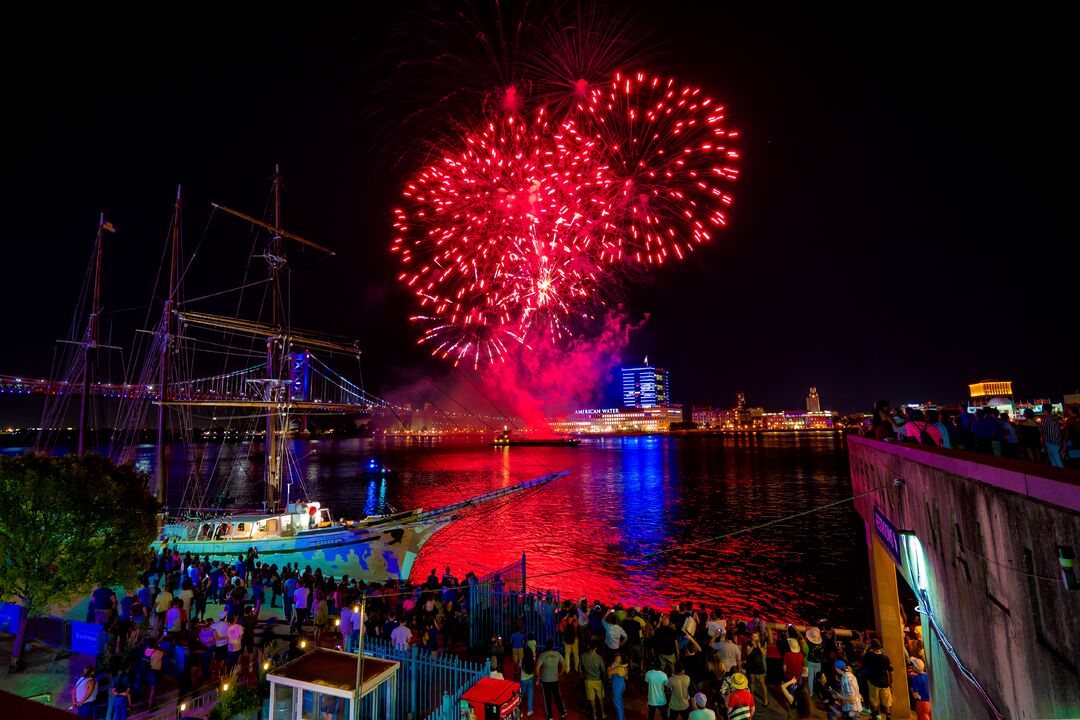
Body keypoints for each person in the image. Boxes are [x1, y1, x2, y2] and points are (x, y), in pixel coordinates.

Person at [863, 638, 894, 720]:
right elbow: (891, 671)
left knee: (875, 701)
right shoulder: (885, 657)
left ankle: (876, 717)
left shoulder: (869, 656)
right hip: (885, 683)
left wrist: (866, 648)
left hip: (873, 682)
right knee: (887, 702)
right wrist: (891, 682)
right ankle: (888, 717)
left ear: (872, 646)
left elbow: (863, 659)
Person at [536, 641, 567, 720]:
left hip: (545, 680)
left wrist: (538, 677)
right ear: (552, 646)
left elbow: (537, 668)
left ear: (545, 646)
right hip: (555, 679)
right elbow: (564, 664)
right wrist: (560, 673)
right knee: (557, 696)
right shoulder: (557, 654)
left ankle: (549, 716)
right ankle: (563, 712)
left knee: (547, 698)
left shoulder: (542, 655)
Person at [581, 641, 607, 720]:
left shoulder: (583, 656)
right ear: (596, 648)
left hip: (588, 680)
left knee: (591, 699)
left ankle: (594, 715)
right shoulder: (599, 658)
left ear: (589, 646)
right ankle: (603, 714)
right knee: (600, 698)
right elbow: (603, 670)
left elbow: (580, 670)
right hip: (598, 680)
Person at [745, 629, 769, 706]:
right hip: (751, 666)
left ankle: (766, 700)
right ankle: (751, 698)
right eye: (753, 636)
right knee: (752, 682)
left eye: (756, 636)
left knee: (762, 683)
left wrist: (759, 646)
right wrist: (753, 646)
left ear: (758, 637)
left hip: (759, 666)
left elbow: (764, 653)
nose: (755, 638)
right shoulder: (748, 643)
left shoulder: (762, 643)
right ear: (751, 637)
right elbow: (748, 653)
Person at [608, 651, 628, 720]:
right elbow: (626, 677)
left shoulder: (616, 667)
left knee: (617, 703)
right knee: (620, 701)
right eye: (618, 658)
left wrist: (611, 670)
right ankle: (622, 717)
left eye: (620, 658)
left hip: (617, 686)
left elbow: (609, 676)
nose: (620, 659)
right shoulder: (623, 666)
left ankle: (620, 718)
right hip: (622, 685)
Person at [520, 647, 537, 718]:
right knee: (530, 695)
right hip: (531, 679)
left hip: (523, 679)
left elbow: (519, 666)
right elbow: (534, 669)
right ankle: (529, 711)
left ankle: (518, 706)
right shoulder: (532, 660)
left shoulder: (522, 660)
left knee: (521, 694)